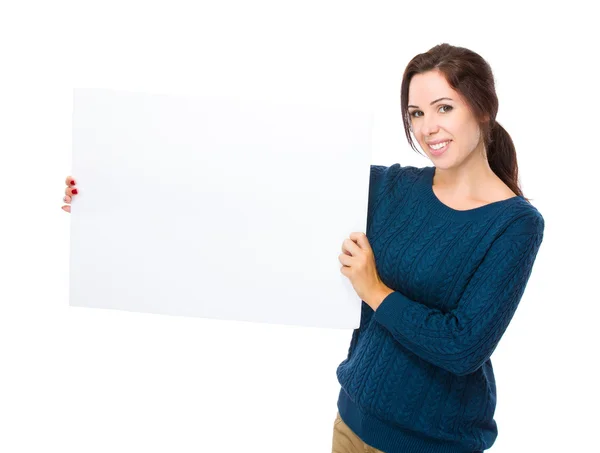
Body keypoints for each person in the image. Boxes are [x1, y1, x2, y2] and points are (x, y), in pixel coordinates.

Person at [62, 42, 544, 453]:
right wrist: (105, 192)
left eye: (444, 107)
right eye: (416, 113)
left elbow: (462, 347)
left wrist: (373, 289)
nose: (427, 128)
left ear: (483, 108)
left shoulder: (515, 224)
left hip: (438, 443)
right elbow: (255, 186)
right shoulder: (394, 189)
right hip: (352, 425)